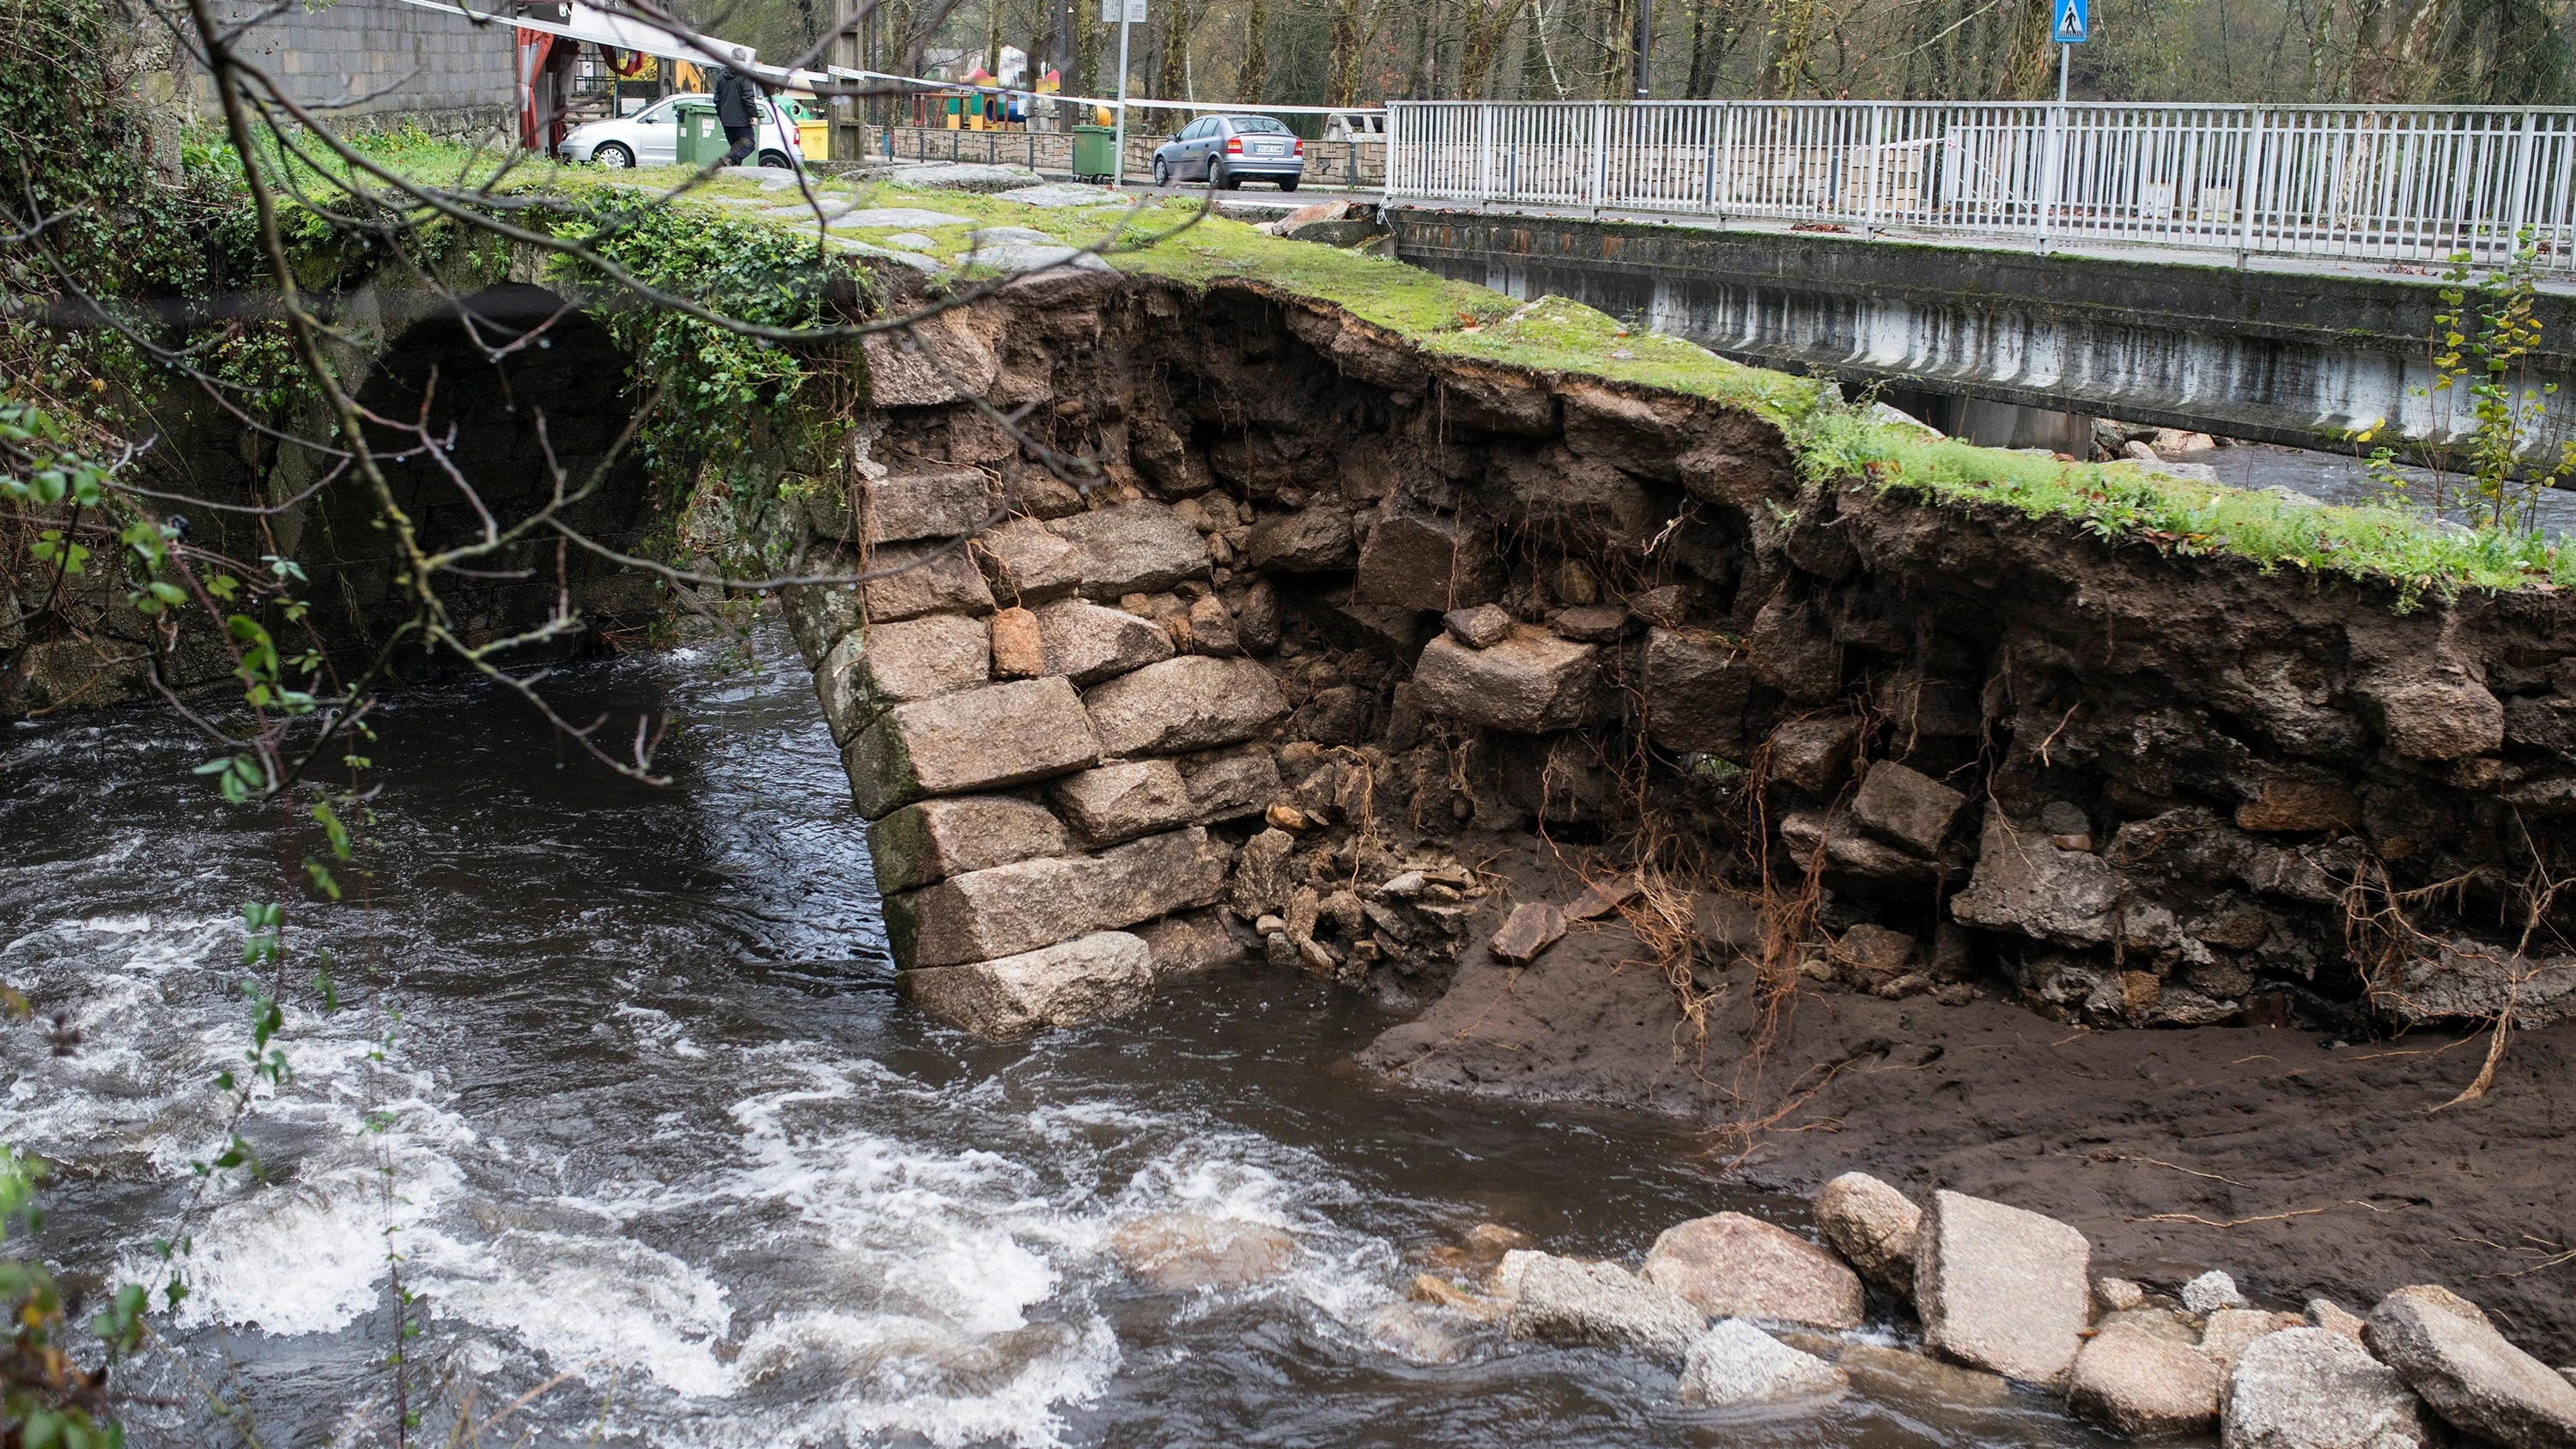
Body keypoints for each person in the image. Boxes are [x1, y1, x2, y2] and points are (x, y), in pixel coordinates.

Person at [712, 64, 761, 166]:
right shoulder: (744, 76)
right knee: (749, 145)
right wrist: (754, 114)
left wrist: (721, 116)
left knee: (736, 148)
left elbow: (717, 99)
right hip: (742, 120)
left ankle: (734, 170)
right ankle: (728, 158)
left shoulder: (721, 76)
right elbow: (748, 98)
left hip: (727, 120)